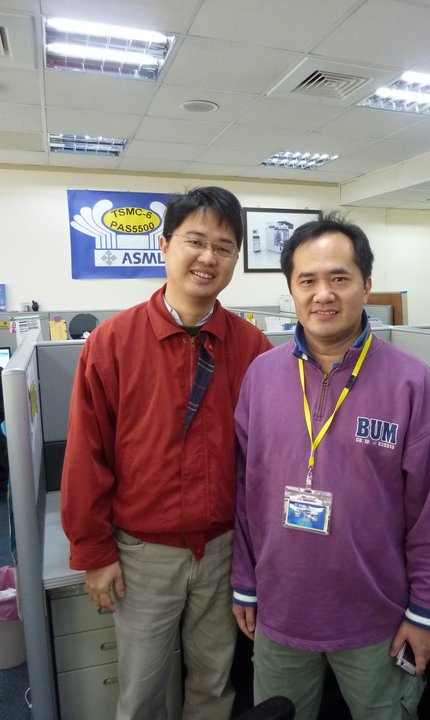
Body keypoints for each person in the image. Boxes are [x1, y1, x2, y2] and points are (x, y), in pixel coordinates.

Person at [231, 213, 430, 720]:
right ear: (291, 289)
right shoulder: (260, 377)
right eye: (307, 280)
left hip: (377, 621)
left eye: (339, 277)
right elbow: (245, 494)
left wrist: (426, 613)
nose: (323, 294)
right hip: (280, 613)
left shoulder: (411, 383)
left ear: (366, 285)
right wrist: (244, 582)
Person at [61, 186, 272, 720]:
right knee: (141, 691)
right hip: (142, 554)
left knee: (214, 683)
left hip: (222, 549)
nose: (208, 258)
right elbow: (86, 456)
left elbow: (267, 455)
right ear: (164, 245)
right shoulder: (112, 342)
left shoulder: (251, 347)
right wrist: (94, 553)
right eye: (195, 241)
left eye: (224, 247)